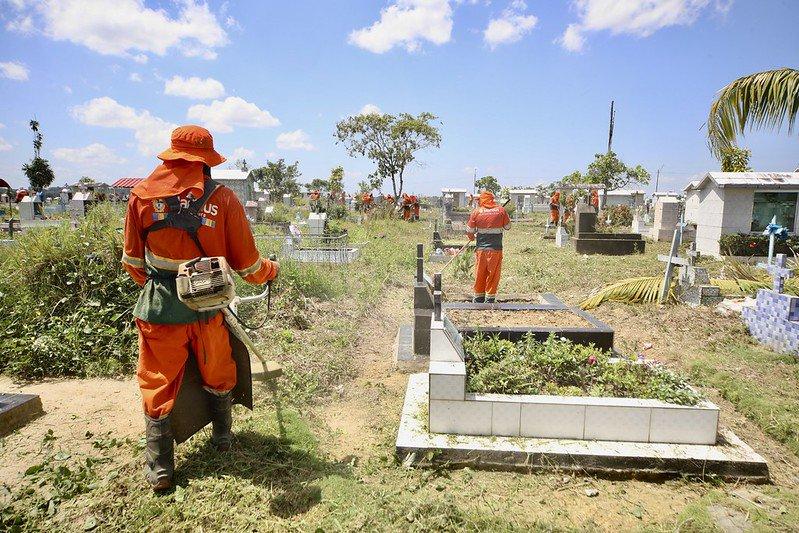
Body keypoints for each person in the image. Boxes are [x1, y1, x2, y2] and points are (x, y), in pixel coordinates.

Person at [121, 125, 279, 491]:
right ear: (206, 163)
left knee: (158, 381)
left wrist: (164, 289)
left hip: (160, 310)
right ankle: (222, 438)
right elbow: (249, 266)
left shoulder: (140, 198)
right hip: (208, 306)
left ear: (170, 156)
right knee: (218, 368)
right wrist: (271, 271)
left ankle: (160, 467)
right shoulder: (222, 200)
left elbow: (133, 261)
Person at [466, 190, 511, 303]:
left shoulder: (476, 212)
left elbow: (469, 231)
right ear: (492, 199)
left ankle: (479, 297)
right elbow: (508, 226)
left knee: (480, 272)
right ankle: (490, 298)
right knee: (493, 274)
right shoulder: (501, 210)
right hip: (496, 249)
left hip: (481, 249)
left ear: (481, 199)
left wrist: (471, 237)